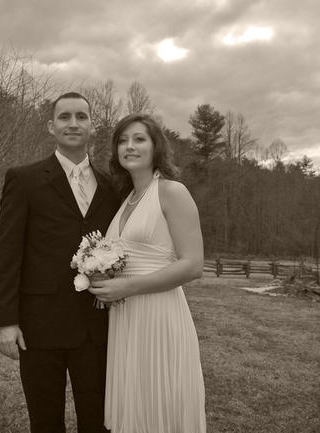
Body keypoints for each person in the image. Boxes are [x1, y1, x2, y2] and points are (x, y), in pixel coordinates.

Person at [0, 92, 119, 433]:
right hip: (39, 326)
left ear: (92, 125)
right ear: (51, 126)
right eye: (65, 117)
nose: (73, 123)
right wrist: (6, 320)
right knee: (45, 421)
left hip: (98, 326)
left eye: (81, 116)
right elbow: (6, 253)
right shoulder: (24, 179)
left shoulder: (112, 185)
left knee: (99, 421)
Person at [89, 113, 207, 432]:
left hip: (158, 312)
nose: (129, 146)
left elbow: (193, 264)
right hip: (125, 318)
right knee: (133, 400)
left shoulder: (172, 192)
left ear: (156, 147)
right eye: (122, 141)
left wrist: (129, 288)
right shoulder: (124, 199)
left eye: (139, 139)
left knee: (160, 399)